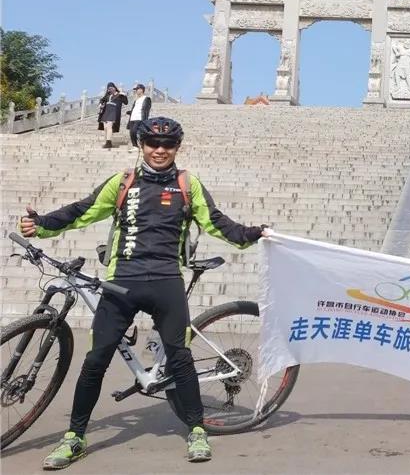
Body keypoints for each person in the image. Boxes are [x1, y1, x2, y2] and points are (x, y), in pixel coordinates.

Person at [19, 117, 271, 469]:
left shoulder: (187, 184)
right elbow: (82, 211)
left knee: (180, 358)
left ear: (177, 148)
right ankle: (75, 437)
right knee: (95, 362)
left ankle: (196, 429)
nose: (159, 150)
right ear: (141, 145)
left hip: (167, 281)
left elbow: (216, 221)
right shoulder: (123, 182)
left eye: (167, 145)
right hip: (121, 283)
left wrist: (251, 234)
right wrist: (42, 223)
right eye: (152, 143)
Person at [97, 82, 128, 149]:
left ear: (114, 87)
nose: (110, 89)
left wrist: (124, 95)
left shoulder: (119, 95)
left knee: (109, 126)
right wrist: (100, 104)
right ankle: (107, 141)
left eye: (111, 88)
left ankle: (109, 142)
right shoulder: (107, 95)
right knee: (105, 128)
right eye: (109, 88)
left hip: (113, 111)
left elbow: (126, 102)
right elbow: (102, 100)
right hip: (106, 111)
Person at [127, 84, 152, 151]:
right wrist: (130, 112)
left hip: (140, 117)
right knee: (131, 132)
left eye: (137, 89)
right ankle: (135, 146)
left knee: (134, 131)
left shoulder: (146, 99)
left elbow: (147, 109)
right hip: (132, 118)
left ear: (141, 89)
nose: (136, 91)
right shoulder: (136, 100)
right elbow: (134, 108)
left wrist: (145, 119)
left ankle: (143, 145)